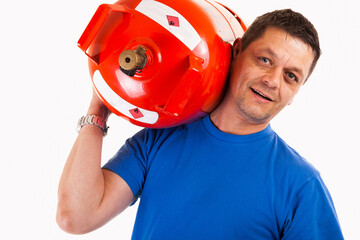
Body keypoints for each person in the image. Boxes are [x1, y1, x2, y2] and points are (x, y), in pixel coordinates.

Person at [57, 9, 344, 239]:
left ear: (296, 93)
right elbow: (76, 217)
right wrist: (100, 105)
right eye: (265, 59)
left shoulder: (300, 185)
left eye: (291, 76)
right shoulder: (159, 140)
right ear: (237, 51)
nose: (272, 80)